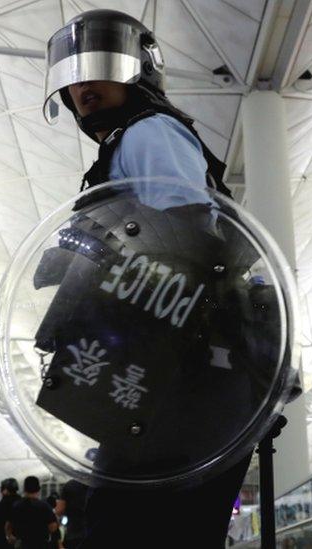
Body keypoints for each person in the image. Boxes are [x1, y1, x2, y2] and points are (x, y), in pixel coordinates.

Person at [41, 9, 262, 549]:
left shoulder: (149, 132)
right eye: (72, 76)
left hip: (182, 385)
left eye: (99, 66)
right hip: (184, 381)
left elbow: (185, 248)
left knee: (127, 528)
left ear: (139, 70)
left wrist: (88, 257)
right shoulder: (127, 142)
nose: (82, 82)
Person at [6, 477, 57, 549]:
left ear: (24, 489)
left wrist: (10, 537)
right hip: (41, 544)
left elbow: (8, 526)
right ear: (38, 489)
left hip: (22, 544)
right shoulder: (44, 506)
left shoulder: (16, 506)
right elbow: (53, 527)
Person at [55, 480, 87, 549]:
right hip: (92, 532)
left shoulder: (70, 485)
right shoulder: (96, 483)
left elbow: (59, 510)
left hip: (73, 532)